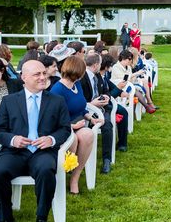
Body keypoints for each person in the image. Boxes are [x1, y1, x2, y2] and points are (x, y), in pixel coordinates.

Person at [0, 60, 71, 222]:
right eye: (37, 74)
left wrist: (51, 139)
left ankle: (41, 220)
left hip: (43, 151)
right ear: (23, 78)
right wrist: (13, 139)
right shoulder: (9, 101)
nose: (43, 77)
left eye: (43, 73)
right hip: (15, 152)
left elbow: (65, 129)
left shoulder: (57, 100)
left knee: (46, 170)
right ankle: (5, 219)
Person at [50, 57, 100, 194]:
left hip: (79, 123)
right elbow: (53, 119)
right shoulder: (57, 90)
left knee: (88, 134)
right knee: (75, 138)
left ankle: (75, 177)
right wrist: (72, 126)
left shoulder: (76, 84)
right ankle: (65, 171)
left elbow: (81, 107)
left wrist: (91, 117)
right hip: (63, 127)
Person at [79, 53, 115, 174]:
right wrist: (91, 103)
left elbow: (106, 91)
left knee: (107, 125)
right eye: (100, 64)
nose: (101, 65)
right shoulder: (81, 78)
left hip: (102, 109)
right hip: (86, 111)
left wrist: (106, 97)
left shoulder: (97, 76)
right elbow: (78, 100)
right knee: (106, 124)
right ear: (95, 65)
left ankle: (107, 160)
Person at [98, 55, 130, 152]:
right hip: (102, 105)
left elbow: (111, 86)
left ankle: (122, 142)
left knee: (123, 112)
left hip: (108, 102)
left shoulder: (103, 76)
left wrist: (120, 92)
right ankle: (122, 143)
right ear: (107, 66)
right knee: (123, 112)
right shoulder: (97, 77)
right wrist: (119, 89)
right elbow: (106, 97)